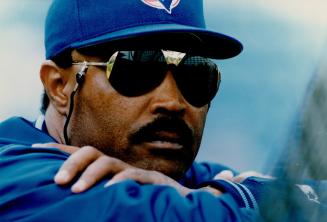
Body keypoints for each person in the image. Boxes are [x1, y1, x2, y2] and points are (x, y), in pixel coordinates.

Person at [0, 0, 325, 221]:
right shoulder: (12, 175)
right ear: (58, 85)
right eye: (135, 68)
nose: (172, 102)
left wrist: (236, 193)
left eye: (195, 73)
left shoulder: (187, 178)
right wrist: (244, 198)